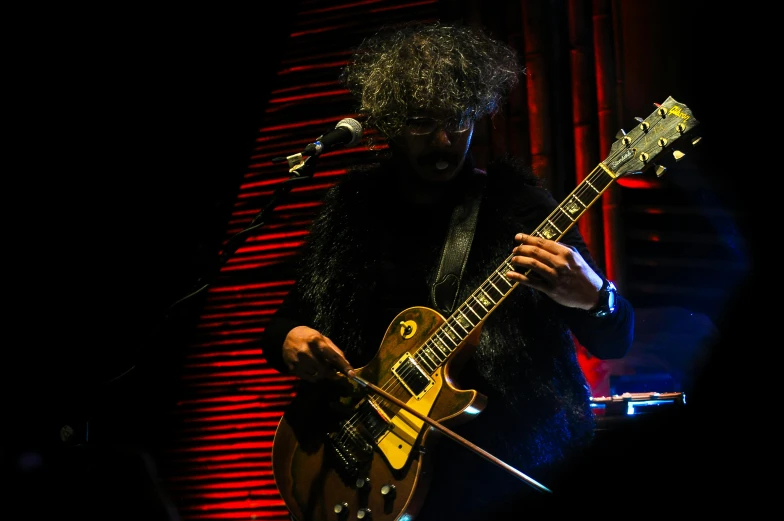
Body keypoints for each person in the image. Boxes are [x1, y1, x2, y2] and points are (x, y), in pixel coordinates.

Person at [261, 22, 634, 521]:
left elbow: (615, 339)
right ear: (391, 122)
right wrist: (290, 340)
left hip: (502, 474)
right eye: (421, 123)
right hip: (368, 471)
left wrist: (596, 296)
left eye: (458, 120)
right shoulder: (352, 212)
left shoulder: (519, 208)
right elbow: (285, 324)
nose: (443, 141)